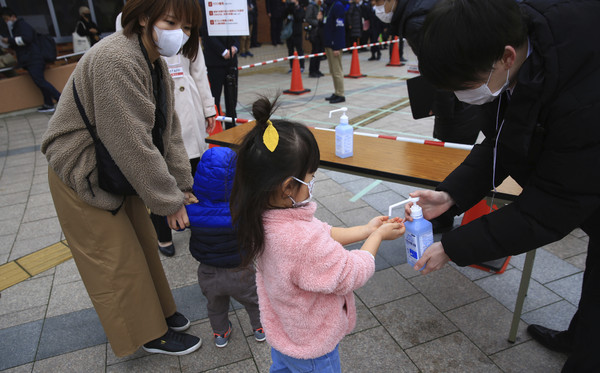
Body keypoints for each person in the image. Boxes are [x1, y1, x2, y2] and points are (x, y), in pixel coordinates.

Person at [403, 1, 600, 372]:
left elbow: (552, 206)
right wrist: (452, 194)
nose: (464, 99)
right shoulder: (514, 55)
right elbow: (503, 141)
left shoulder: (583, 95)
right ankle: (582, 337)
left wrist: (454, 246)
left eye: (466, 87)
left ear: (507, 57)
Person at [41, 0, 204, 357]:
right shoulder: (116, 58)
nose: (181, 34)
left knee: (143, 243)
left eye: (188, 27)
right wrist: (169, 200)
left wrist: (181, 185)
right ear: (144, 16)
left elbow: (168, 131)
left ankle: (160, 313)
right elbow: (130, 142)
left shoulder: (152, 59)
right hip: (84, 171)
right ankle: (146, 334)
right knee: (115, 257)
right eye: (172, 21)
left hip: (116, 168)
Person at [230, 95, 406, 372]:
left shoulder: (262, 216)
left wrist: (366, 229)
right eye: (310, 177)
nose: (312, 182)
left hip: (285, 332)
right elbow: (350, 272)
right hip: (313, 345)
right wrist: (378, 237)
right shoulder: (301, 241)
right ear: (289, 186)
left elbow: (323, 232)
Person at [186, 146, 265, 348]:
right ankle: (260, 328)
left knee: (215, 306)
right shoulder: (244, 208)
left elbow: (178, 226)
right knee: (253, 301)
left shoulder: (191, 210)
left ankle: (221, 333)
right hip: (241, 269)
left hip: (208, 272)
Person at [150, 40, 217, 257]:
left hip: (189, 102)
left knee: (195, 170)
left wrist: (208, 108)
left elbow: (199, 70)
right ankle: (162, 233)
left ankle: (196, 223)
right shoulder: (138, 19)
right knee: (160, 174)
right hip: (158, 102)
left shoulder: (189, 33)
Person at [1, 8, 61, 113]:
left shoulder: (21, 25)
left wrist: (9, 40)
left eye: (6, 19)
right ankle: (48, 104)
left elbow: (27, 39)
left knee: (40, 82)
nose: (7, 22)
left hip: (33, 59)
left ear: (12, 16)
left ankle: (60, 99)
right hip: (31, 59)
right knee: (40, 82)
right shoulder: (17, 27)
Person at [200, 0, 239, 129]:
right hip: (214, 61)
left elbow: (237, 24)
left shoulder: (231, 4)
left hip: (231, 60)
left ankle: (231, 128)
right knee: (214, 98)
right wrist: (222, 51)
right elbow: (205, 30)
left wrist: (235, 47)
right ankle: (215, 129)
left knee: (232, 99)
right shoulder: (205, 4)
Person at [322, 0, 346, 104]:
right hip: (328, 44)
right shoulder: (328, 6)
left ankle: (340, 94)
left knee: (337, 71)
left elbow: (339, 28)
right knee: (332, 70)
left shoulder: (337, 6)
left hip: (334, 45)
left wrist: (337, 46)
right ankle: (336, 92)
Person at [283, 0, 306, 73]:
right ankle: (292, 67)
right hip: (290, 33)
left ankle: (301, 66)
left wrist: (294, 9)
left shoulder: (300, 9)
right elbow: (283, 16)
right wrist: (287, 8)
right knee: (290, 51)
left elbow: (298, 18)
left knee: (299, 50)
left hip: (297, 33)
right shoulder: (289, 8)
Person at [305, 0, 324, 78]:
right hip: (314, 32)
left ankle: (317, 69)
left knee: (319, 51)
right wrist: (317, 22)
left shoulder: (320, 7)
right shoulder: (311, 6)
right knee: (315, 50)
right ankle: (312, 70)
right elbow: (308, 18)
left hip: (320, 32)